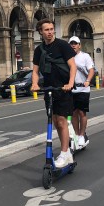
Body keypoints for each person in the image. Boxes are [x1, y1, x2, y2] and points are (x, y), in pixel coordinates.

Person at [31, 19, 77, 168]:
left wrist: (70, 83)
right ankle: (67, 152)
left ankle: (64, 153)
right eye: (47, 30)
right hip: (49, 90)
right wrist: (34, 84)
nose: (50, 32)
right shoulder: (39, 50)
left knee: (62, 121)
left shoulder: (62, 45)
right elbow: (36, 71)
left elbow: (73, 66)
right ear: (40, 32)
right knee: (55, 122)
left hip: (63, 89)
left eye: (51, 29)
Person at [69, 36, 95, 148]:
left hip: (83, 89)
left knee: (82, 113)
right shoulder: (68, 58)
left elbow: (91, 70)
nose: (73, 45)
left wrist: (88, 80)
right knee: (74, 113)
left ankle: (81, 134)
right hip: (72, 89)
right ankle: (76, 133)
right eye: (71, 44)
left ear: (79, 45)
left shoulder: (85, 56)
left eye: (75, 43)